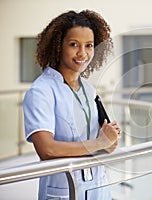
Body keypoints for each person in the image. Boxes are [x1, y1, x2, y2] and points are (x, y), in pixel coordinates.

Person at [22, 10, 121, 200]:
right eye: (74, 44)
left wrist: (109, 140)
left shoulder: (89, 91)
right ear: (58, 46)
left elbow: (109, 144)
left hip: (99, 189)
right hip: (65, 192)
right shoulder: (41, 91)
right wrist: (100, 142)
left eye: (89, 45)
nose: (82, 53)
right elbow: (47, 150)